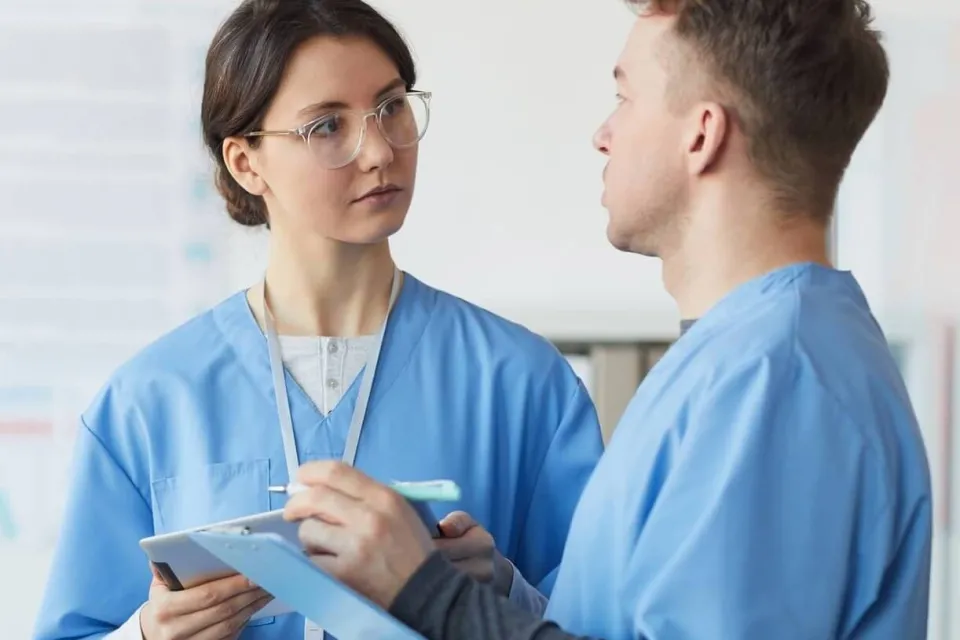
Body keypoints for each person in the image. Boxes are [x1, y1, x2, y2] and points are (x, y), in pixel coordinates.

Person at [280, 0, 934, 638]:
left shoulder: (775, 382)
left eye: (625, 99)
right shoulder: (745, 361)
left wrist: (425, 593)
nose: (603, 134)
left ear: (701, 135)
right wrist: (493, 593)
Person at [32, 1, 604, 638]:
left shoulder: (523, 384)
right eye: (327, 126)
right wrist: (146, 635)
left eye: (390, 107)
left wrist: (500, 590)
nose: (380, 152)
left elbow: (602, 622)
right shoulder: (148, 401)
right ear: (246, 163)